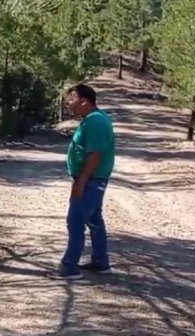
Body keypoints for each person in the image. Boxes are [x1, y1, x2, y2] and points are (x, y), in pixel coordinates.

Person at [50, 83, 115, 280]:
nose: (69, 104)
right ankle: (100, 262)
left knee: (76, 220)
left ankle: (69, 267)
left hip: (91, 180)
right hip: (92, 179)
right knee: (94, 220)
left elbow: (95, 154)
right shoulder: (94, 119)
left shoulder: (95, 121)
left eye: (72, 99)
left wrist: (81, 182)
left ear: (84, 101)